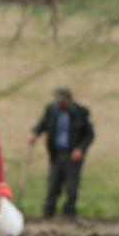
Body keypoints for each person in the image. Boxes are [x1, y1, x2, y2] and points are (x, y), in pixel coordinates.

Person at [26, 87, 94, 218]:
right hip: (56, 154)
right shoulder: (51, 110)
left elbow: (89, 135)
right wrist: (35, 133)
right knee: (52, 184)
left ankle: (69, 213)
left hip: (73, 155)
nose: (59, 104)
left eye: (62, 101)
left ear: (70, 99)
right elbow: (43, 124)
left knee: (71, 186)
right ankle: (48, 212)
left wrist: (80, 148)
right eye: (58, 101)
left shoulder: (81, 112)